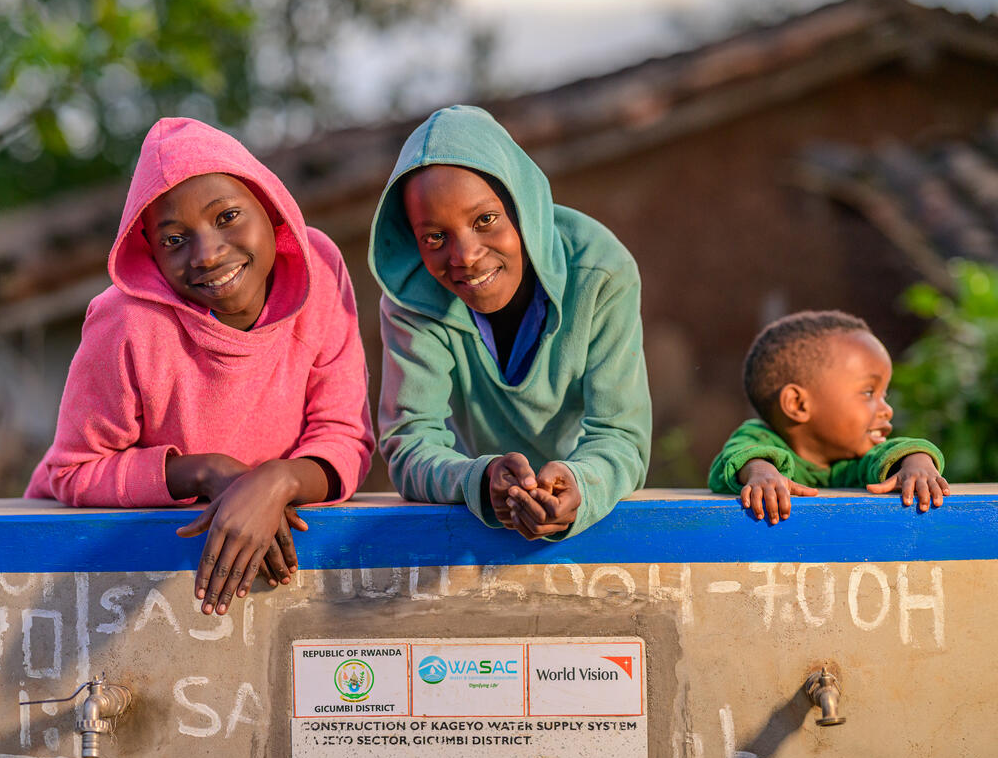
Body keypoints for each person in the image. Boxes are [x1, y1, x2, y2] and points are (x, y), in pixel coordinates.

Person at [26, 117, 374, 614]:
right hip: (103, 572)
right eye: (173, 240)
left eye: (228, 216)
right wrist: (206, 472)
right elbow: (72, 471)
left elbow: (343, 436)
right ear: (149, 250)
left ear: (270, 208)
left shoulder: (319, 270)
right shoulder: (127, 322)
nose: (207, 254)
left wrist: (276, 483)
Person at [368, 105, 651, 541]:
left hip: (596, 521)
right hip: (469, 530)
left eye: (485, 220)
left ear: (521, 205)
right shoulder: (413, 300)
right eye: (434, 237)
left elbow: (620, 434)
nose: (465, 255)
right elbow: (411, 444)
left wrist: (580, 483)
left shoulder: (599, 272)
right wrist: (479, 481)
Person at [709, 309, 950, 523]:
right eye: (868, 392)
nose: (887, 410)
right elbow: (737, 457)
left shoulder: (857, 461)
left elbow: (891, 453)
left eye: (883, 395)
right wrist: (761, 473)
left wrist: (917, 464)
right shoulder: (759, 437)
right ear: (798, 404)